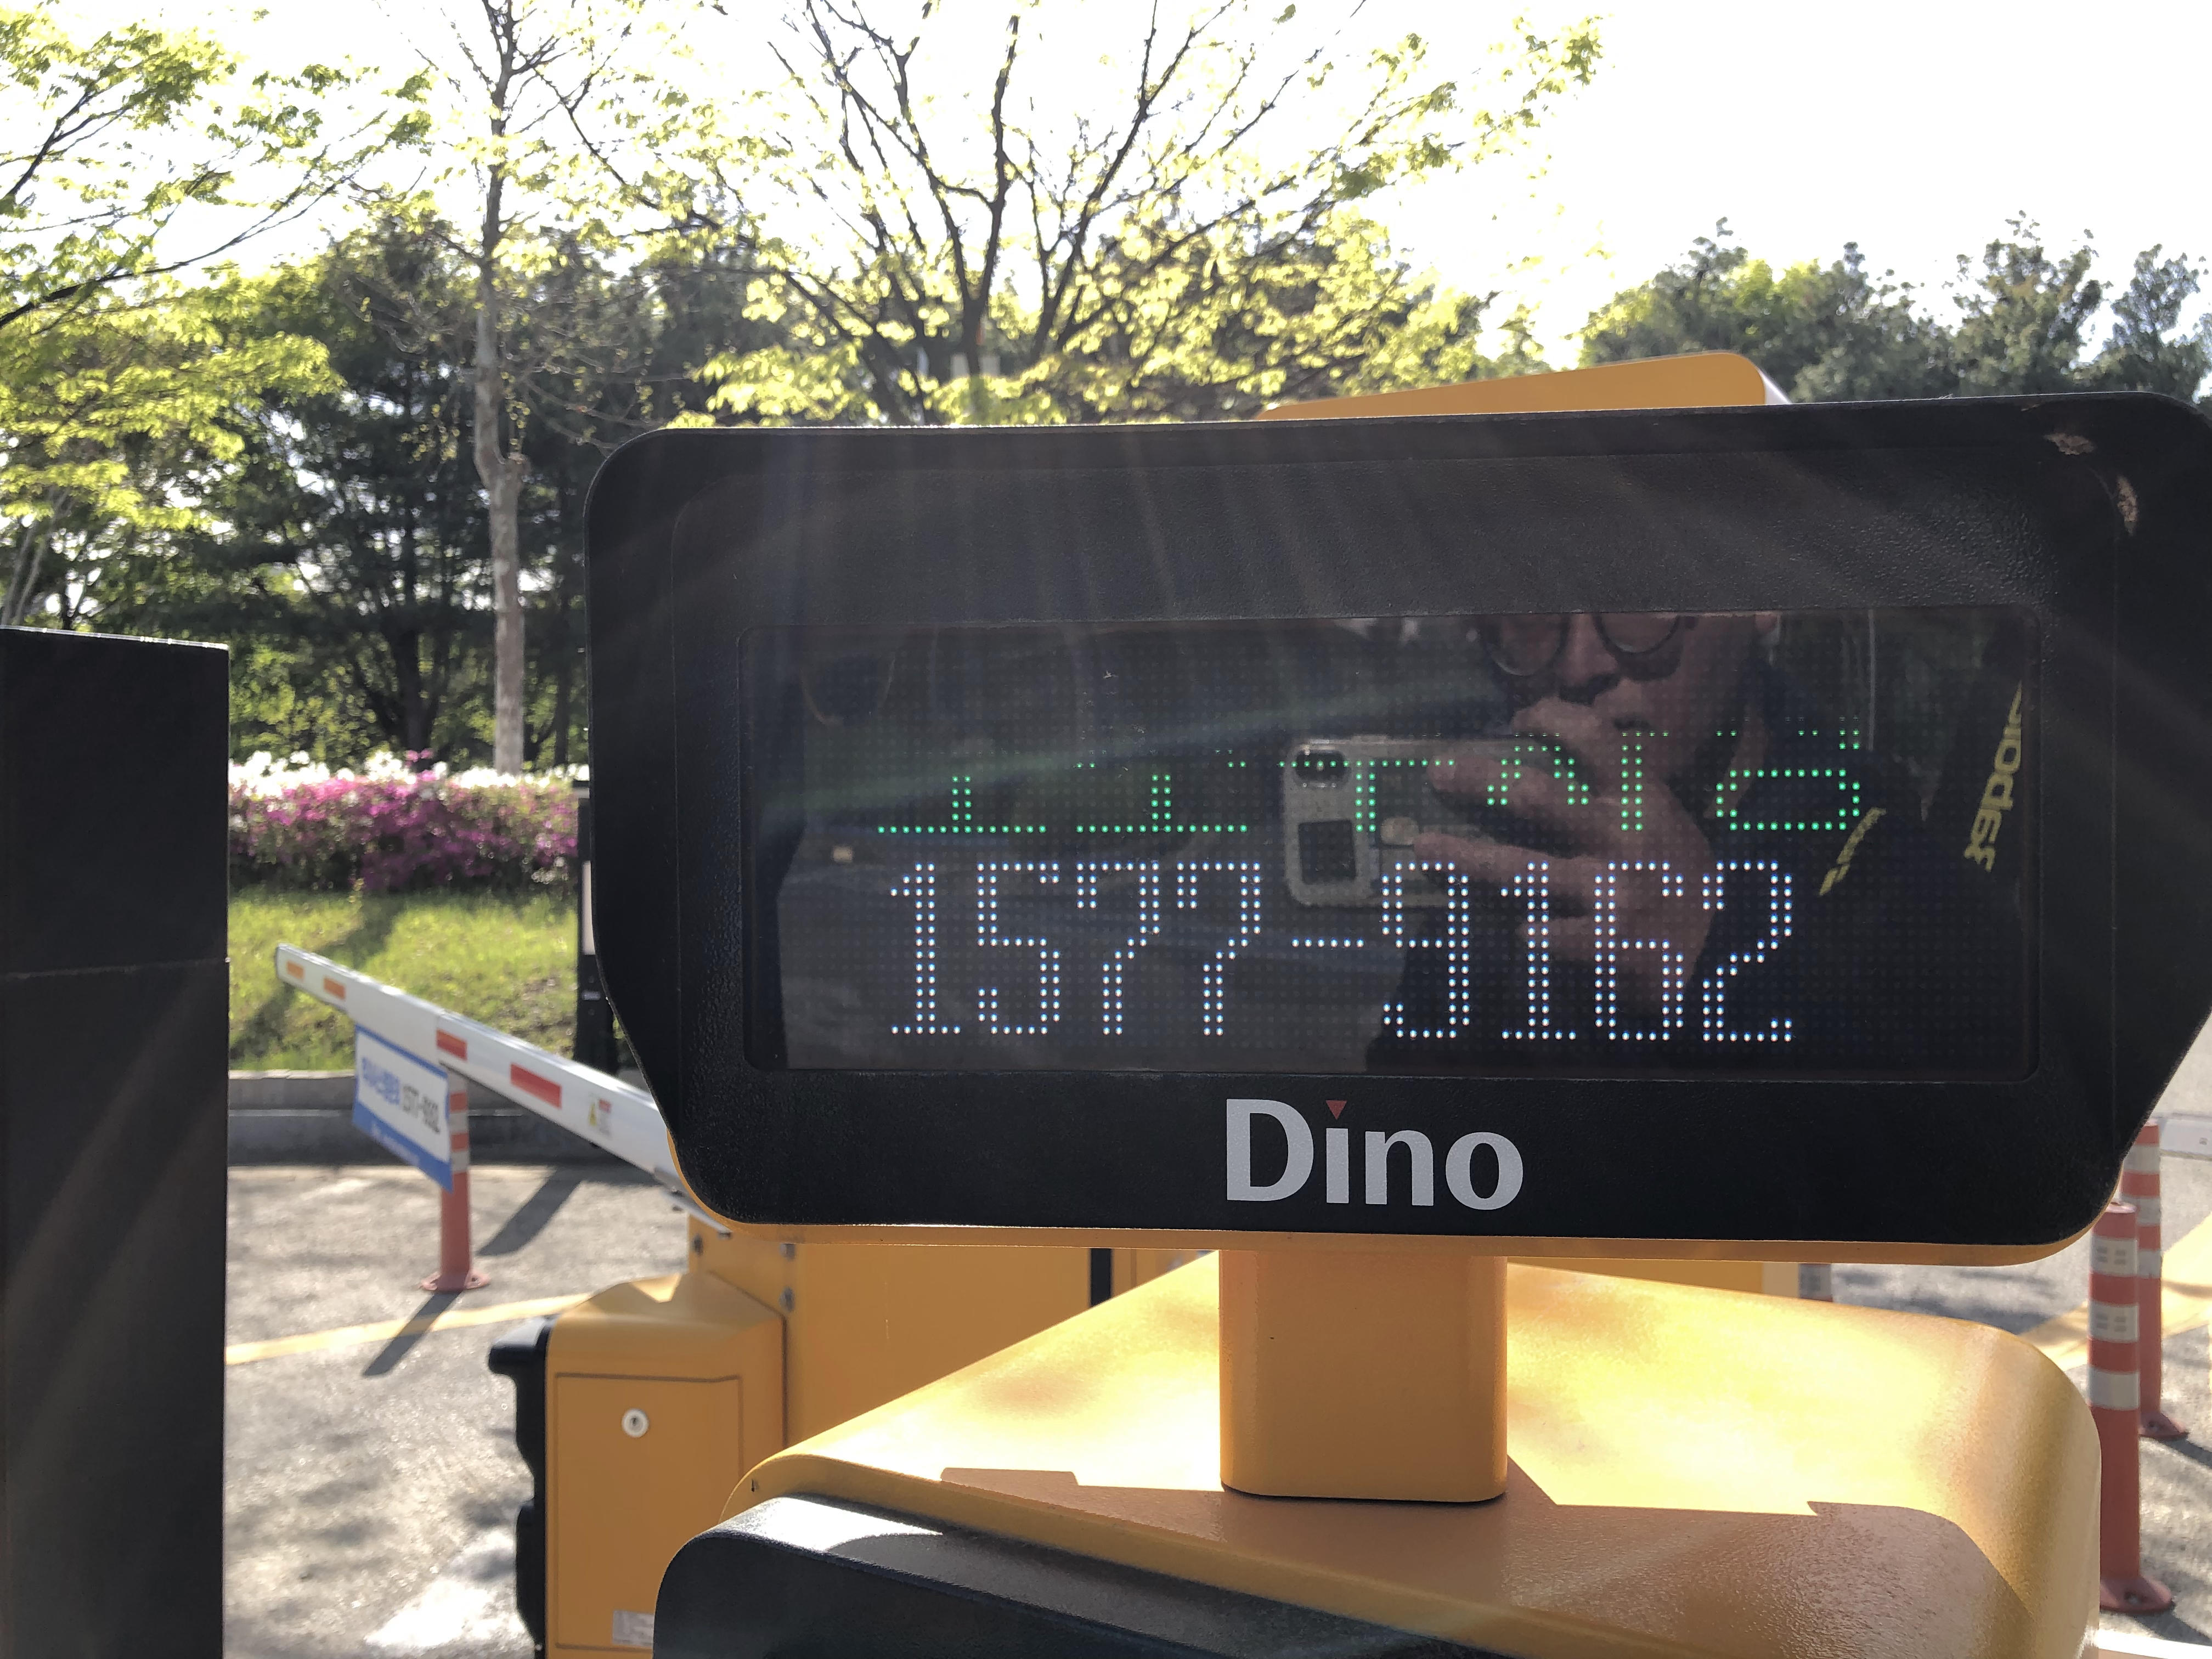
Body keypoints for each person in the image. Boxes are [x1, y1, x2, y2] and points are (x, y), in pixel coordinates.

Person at [1367, 611, 2026, 1074]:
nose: (1579, 666)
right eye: (1531, 615)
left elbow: (1966, 1155)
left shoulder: (1888, 871)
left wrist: (1717, 957)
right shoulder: (1506, 860)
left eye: (1637, 593)